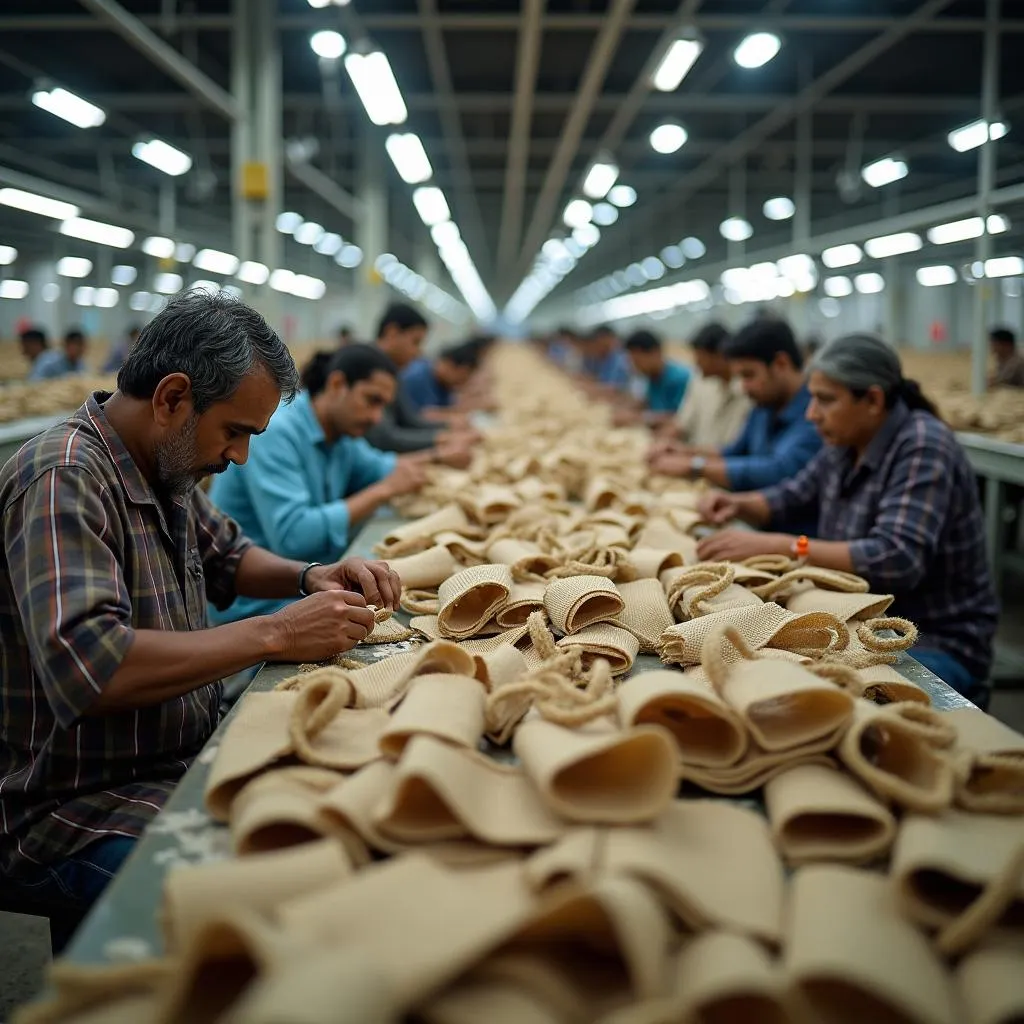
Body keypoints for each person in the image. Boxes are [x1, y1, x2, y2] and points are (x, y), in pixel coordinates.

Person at [0, 291, 399, 928]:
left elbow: (231, 555)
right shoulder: (64, 478)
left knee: (339, 822)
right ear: (172, 397)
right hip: (70, 805)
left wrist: (310, 575)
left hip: (162, 763)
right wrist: (274, 633)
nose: (238, 455)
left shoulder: (163, 464)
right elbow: (93, 667)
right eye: (235, 431)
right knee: (273, 895)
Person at [696, 333, 997, 705]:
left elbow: (896, 557)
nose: (811, 414)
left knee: (814, 701)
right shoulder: (845, 439)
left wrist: (783, 546)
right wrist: (737, 503)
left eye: (825, 400)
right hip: (860, 620)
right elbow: (792, 493)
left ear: (872, 399)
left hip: (931, 639)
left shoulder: (922, 445)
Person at [208, 344, 429, 624]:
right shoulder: (277, 432)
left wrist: (441, 452)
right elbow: (294, 537)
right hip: (259, 605)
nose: (376, 418)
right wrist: (383, 491)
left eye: (382, 406)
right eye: (371, 400)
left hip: (308, 580)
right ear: (337, 384)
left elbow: (387, 467)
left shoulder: (341, 434)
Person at [648, 317, 821, 495]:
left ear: (781, 364)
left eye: (749, 375)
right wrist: (684, 451)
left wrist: (696, 466)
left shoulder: (815, 412)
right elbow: (736, 451)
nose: (743, 387)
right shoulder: (764, 406)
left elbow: (780, 470)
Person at [365, 303, 476, 463]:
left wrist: (446, 431)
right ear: (392, 333)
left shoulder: (392, 372)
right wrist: (442, 442)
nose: (418, 352)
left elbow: (410, 419)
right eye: (415, 342)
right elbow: (384, 438)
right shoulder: (368, 371)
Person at [614, 330, 691, 426]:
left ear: (655, 353)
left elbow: (680, 417)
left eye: (638, 361)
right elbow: (648, 403)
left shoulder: (679, 378)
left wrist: (637, 417)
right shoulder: (651, 377)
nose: (635, 366)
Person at [400, 342, 480, 419]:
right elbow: (424, 415)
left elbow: (450, 406)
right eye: (462, 377)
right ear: (449, 365)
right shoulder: (418, 378)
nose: (462, 383)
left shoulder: (443, 383)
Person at [577, 324, 632, 392]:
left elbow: (618, 388)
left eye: (602, 343)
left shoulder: (622, 359)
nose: (599, 347)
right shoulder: (605, 357)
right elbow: (602, 379)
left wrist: (593, 387)